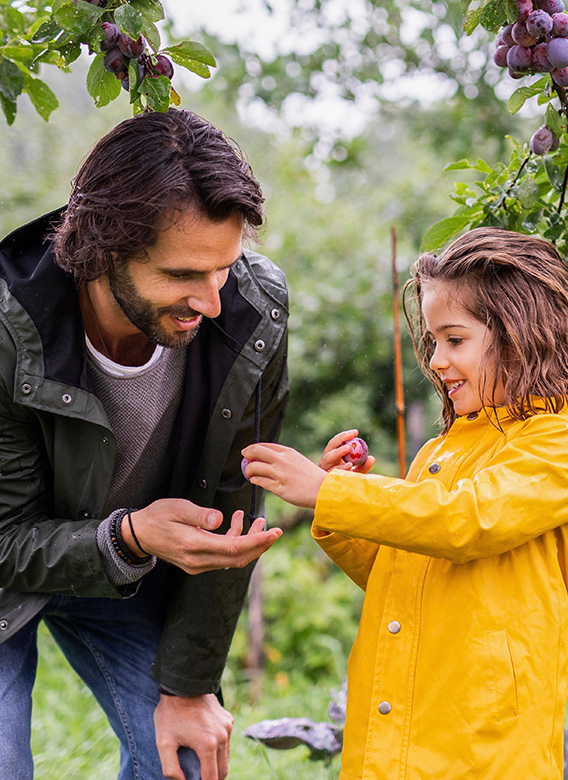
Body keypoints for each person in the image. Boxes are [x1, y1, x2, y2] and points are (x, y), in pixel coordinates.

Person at [242, 227, 568, 779]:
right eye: (433, 342)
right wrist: (335, 509)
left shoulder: (561, 444)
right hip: (402, 722)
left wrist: (329, 491)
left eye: (454, 340)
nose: (435, 360)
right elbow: (404, 574)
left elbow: (465, 520)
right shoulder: (440, 450)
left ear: (522, 335)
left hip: (485, 746)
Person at [0, 108, 289, 780]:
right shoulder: (8, 329)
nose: (212, 301)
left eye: (223, 268)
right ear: (101, 253)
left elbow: (231, 503)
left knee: (183, 763)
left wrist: (190, 686)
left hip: (129, 576)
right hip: (15, 564)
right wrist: (128, 536)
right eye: (184, 275)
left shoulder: (252, 310)